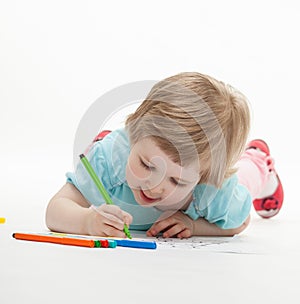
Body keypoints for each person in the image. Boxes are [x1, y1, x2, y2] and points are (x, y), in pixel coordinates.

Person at [45, 72, 284, 238]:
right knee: (112, 152)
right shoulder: (110, 160)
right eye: (147, 165)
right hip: (117, 150)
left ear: (201, 178)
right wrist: (87, 221)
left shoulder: (213, 190)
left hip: (229, 178)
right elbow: (56, 209)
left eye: (177, 180)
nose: (156, 186)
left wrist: (193, 224)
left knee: (247, 175)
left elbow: (240, 223)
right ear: (133, 136)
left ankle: (259, 159)